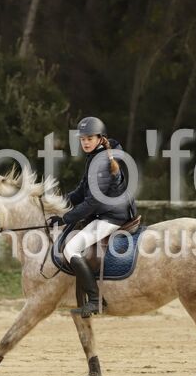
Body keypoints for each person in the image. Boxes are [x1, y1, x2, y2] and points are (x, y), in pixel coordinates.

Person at [47, 116, 138, 318]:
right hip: (104, 212)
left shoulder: (102, 162)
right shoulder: (95, 157)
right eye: (82, 139)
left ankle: (95, 300)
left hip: (112, 216)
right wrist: (58, 204)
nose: (85, 142)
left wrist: (65, 218)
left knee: (70, 249)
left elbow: (93, 202)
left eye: (89, 138)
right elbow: (81, 191)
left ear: (100, 138)